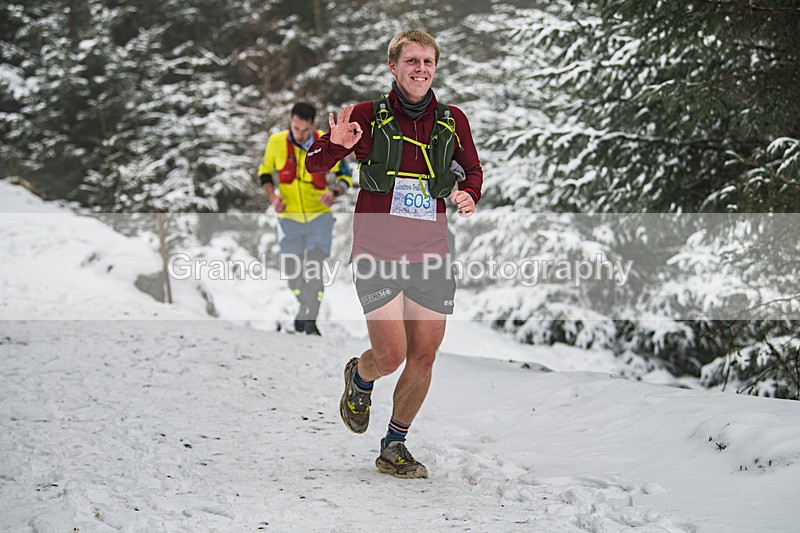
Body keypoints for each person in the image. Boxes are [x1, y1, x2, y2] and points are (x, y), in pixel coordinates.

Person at [306, 29, 482, 478]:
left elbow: (472, 171)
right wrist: (336, 144)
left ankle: (394, 445)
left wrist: (469, 194)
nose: (421, 69)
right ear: (393, 66)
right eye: (411, 61)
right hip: (377, 251)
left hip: (431, 253)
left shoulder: (452, 120)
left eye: (428, 61)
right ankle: (360, 377)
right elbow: (314, 164)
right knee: (391, 355)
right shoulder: (366, 116)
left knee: (424, 356)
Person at [258, 102, 352, 336]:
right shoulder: (276, 142)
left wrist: (334, 193)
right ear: (290, 122)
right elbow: (265, 173)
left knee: (313, 269)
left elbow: (346, 175)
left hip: (319, 218)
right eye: (295, 128)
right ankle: (304, 308)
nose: (299, 135)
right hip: (289, 219)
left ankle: (311, 323)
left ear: (312, 125)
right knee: (293, 277)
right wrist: (273, 198)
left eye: (304, 130)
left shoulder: (327, 143)